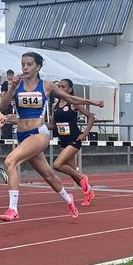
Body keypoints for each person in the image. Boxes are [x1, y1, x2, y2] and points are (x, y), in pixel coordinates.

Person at [0, 51, 103, 221]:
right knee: (48, 175)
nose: (25, 67)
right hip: (22, 135)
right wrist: (12, 87)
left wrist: (92, 102)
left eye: (29, 64)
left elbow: (70, 98)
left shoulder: (47, 86)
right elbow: (2, 107)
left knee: (11, 161)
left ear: (38, 67)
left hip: (39, 134)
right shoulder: (17, 85)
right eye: (23, 64)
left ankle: (13, 209)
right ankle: (69, 200)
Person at [50, 78, 99, 206]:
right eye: (59, 87)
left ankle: (83, 177)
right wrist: (36, 124)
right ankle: (88, 192)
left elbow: (91, 117)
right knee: (72, 172)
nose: (60, 89)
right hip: (63, 140)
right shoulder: (54, 106)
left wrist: (85, 133)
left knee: (57, 165)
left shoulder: (73, 103)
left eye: (63, 87)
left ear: (70, 89)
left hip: (74, 139)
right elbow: (52, 125)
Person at [0, 70, 17, 140]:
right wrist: (9, 90)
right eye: (9, 75)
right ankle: (5, 137)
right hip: (7, 105)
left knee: (15, 119)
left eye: (12, 75)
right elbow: (2, 94)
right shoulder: (5, 83)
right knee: (6, 121)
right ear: (7, 76)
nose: (11, 77)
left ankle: (11, 136)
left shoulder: (16, 83)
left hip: (14, 104)